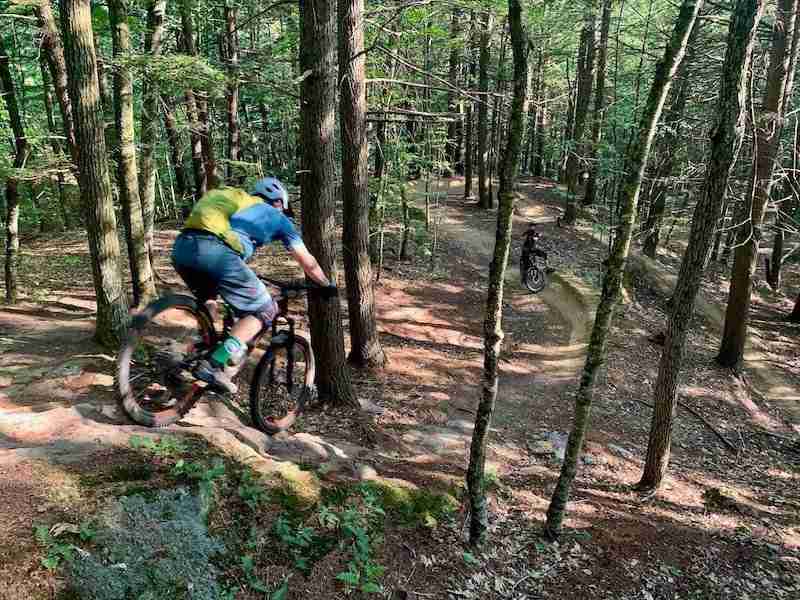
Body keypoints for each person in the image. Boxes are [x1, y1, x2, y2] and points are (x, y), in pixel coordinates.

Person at [171, 177, 335, 394]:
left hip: (183, 247)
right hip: (217, 255)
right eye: (283, 208)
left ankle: (183, 350)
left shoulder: (239, 201)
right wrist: (326, 284)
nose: (283, 212)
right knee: (265, 309)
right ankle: (214, 363)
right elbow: (307, 262)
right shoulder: (279, 219)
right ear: (279, 202)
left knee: (209, 300)